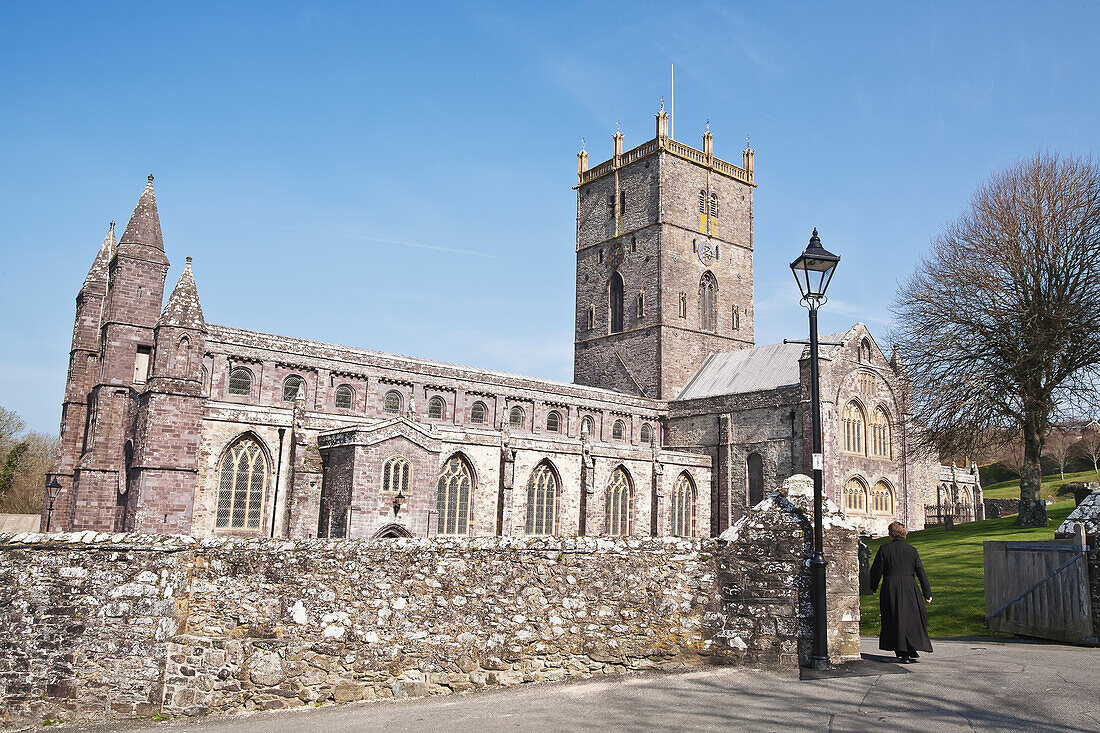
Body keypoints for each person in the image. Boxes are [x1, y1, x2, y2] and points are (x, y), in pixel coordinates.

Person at [869, 521, 932, 663]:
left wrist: (872, 587)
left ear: (890, 534)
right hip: (910, 587)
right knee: (910, 618)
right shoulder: (912, 550)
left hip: (891, 586)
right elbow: (921, 573)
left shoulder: (884, 549)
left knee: (894, 617)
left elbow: (876, 571)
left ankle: (904, 651)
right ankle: (910, 649)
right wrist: (927, 593)